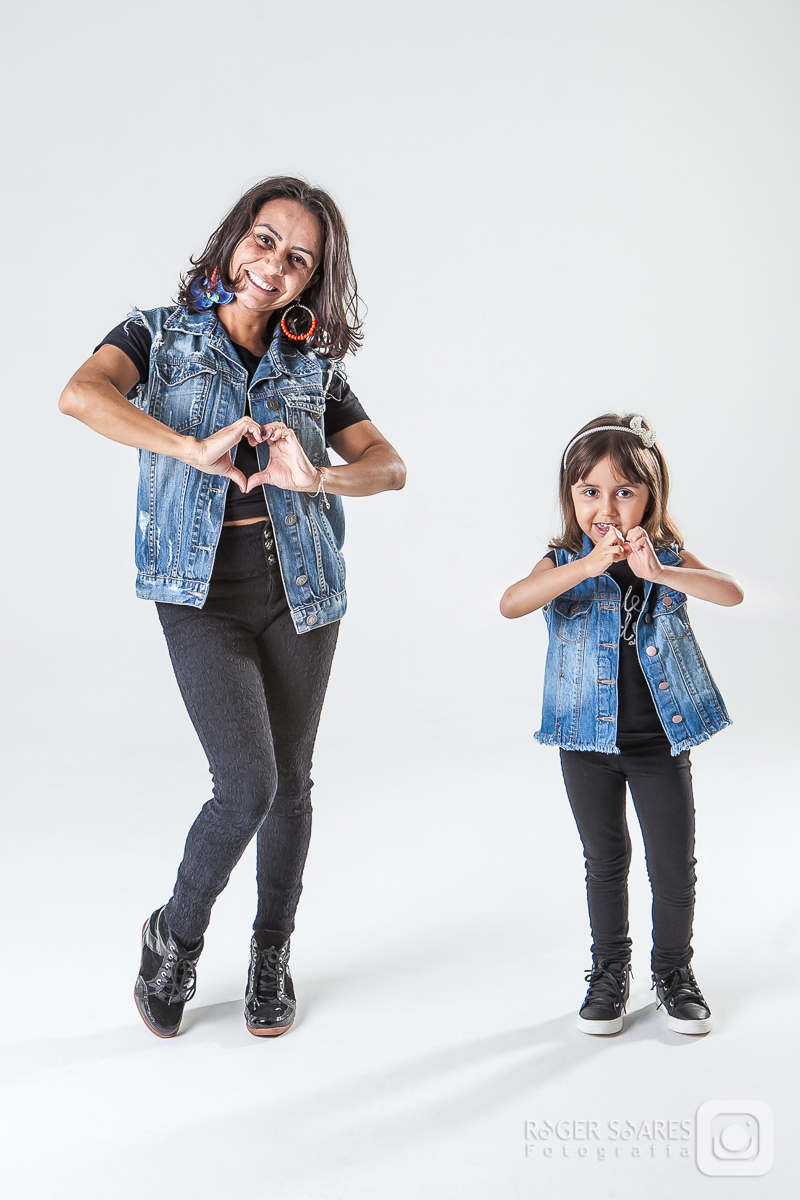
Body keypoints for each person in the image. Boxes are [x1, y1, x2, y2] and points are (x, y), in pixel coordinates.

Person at [60, 176, 405, 1039]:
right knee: (245, 784)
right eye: (263, 240)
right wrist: (185, 444)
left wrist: (319, 474)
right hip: (198, 597)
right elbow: (81, 396)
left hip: (303, 594)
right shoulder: (157, 335)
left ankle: (271, 953)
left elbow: (391, 466)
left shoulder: (312, 370)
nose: (274, 265)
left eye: (299, 258)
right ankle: (175, 937)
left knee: (290, 785)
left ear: (312, 281)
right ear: (231, 242)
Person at [500, 414, 742, 1036]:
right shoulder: (563, 560)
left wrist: (661, 572)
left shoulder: (663, 555)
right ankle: (609, 973)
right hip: (585, 743)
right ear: (570, 497)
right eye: (589, 492)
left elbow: (730, 592)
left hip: (659, 742)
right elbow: (512, 603)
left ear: (650, 498)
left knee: (672, 864)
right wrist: (584, 568)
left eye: (623, 491)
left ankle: (674, 974)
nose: (606, 507)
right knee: (604, 860)